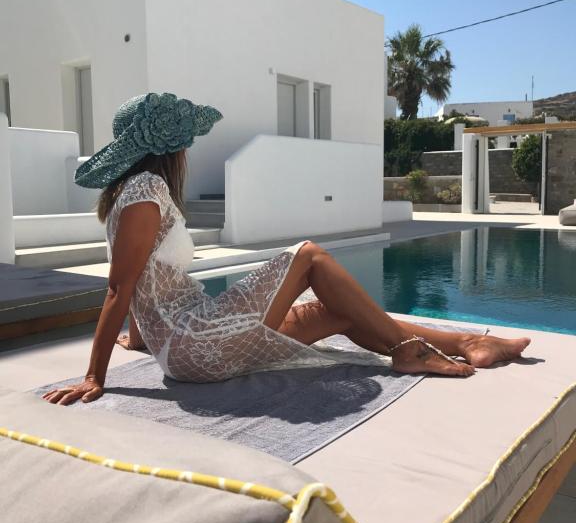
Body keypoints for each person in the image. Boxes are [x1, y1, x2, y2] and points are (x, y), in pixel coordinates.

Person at [43, 92, 530, 406]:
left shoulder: (136, 192)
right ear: (172, 146)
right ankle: (409, 351)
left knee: (335, 312)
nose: (189, 151)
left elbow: (146, 281)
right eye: (186, 142)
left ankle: (468, 344)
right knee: (310, 256)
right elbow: (119, 285)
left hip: (189, 338)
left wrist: (142, 335)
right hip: (195, 342)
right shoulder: (147, 193)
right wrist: (94, 374)